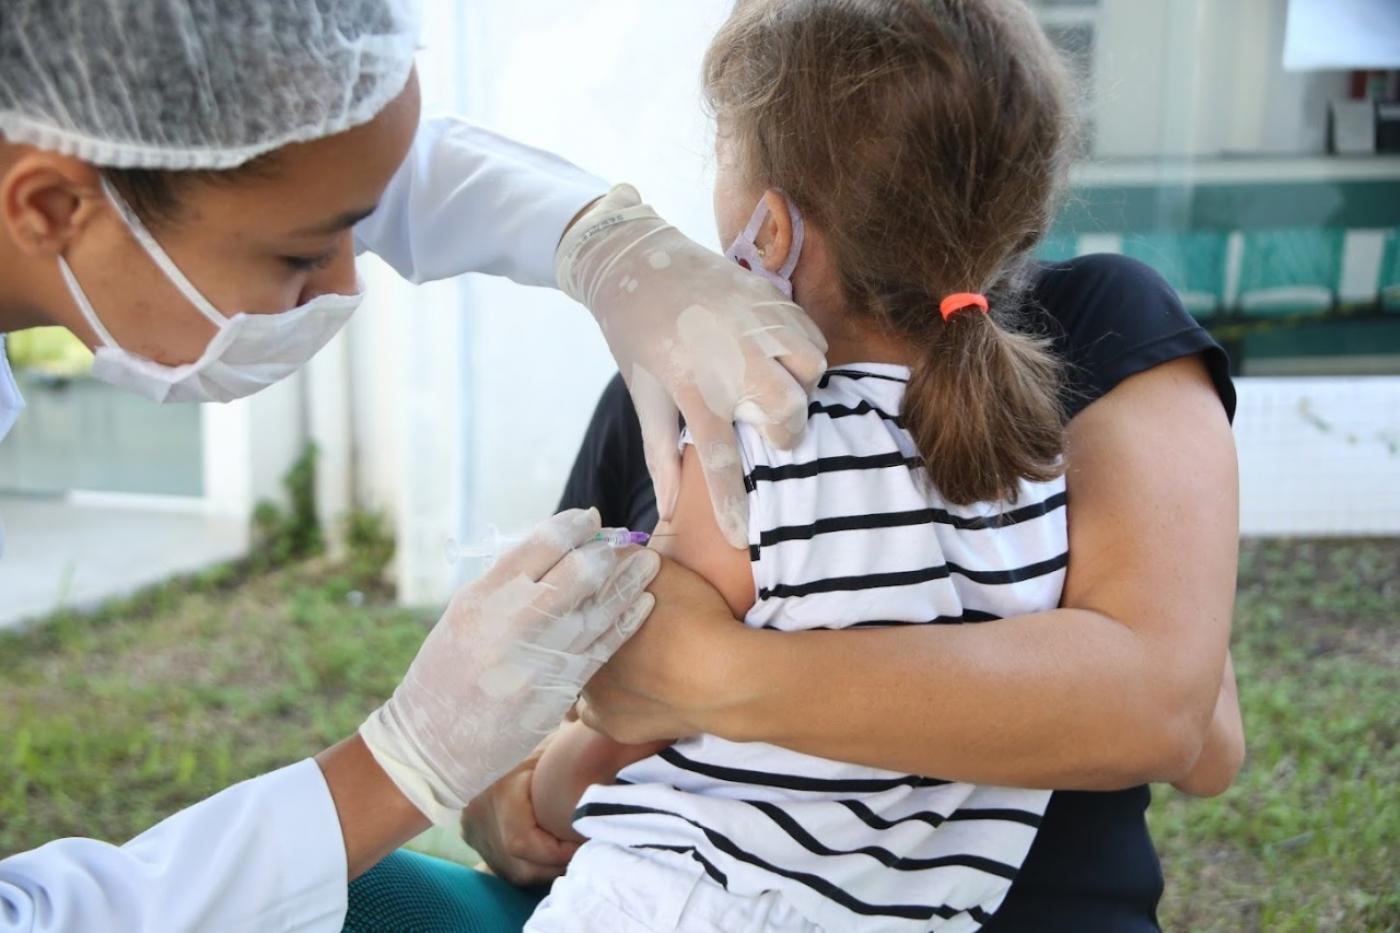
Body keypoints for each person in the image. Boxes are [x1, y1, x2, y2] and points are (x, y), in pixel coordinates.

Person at [354, 2, 1246, 930]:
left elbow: (1177, 717)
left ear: (769, 230)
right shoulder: (1023, 441)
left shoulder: (748, 429)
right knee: (350, 892)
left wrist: (700, 679)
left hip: (686, 902)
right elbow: (1185, 715)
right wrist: (515, 804)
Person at [0, 2, 827, 930]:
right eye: (304, 251)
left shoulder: (151, 160)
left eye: (355, 227)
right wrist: (400, 764)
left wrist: (600, 240)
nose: (349, 282)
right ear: (47, 206)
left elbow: (336, 163)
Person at [521, 0, 1088, 926]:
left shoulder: (757, 445)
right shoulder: (1031, 464)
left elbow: (626, 702)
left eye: (724, 155)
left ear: (771, 233)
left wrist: (541, 790)